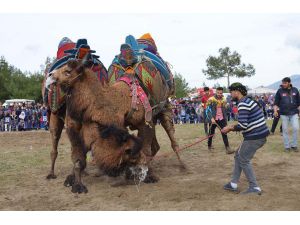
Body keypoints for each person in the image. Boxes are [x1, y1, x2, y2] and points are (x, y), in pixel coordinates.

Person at [222, 82, 270, 195]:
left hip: (255, 136)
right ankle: (233, 184)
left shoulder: (242, 104)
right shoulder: (247, 101)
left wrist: (229, 128)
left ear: (236, 92)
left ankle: (254, 187)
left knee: (243, 159)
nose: (230, 94)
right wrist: (231, 126)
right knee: (238, 156)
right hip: (258, 134)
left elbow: (243, 126)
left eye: (231, 91)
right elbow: (246, 122)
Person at [274, 77, 300, 152]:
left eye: (285, 83)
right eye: (282, 83)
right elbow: (276, 103)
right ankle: (287, 146)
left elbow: (299, 103)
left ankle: (294, 145)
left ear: (289, 83)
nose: (283, 84)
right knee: (285, 130)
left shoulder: (295, 90)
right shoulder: (279, 91)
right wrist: (275, 111)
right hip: (283, 113)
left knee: (296, 128)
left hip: (294, 113)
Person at [206, 87, 234, 154]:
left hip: (222, 119)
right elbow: (207, 110)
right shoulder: (211, 99)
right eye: (218, 93)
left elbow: (226, 109)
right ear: (216, 92)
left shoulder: (224, 99)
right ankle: (209, 146)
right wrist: (211, 118)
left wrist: (227, 106)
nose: (219, 94)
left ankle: (227, 148)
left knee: (224, 133)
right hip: (214, 120)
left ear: (222, 93)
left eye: (221, 93)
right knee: (211, 134)